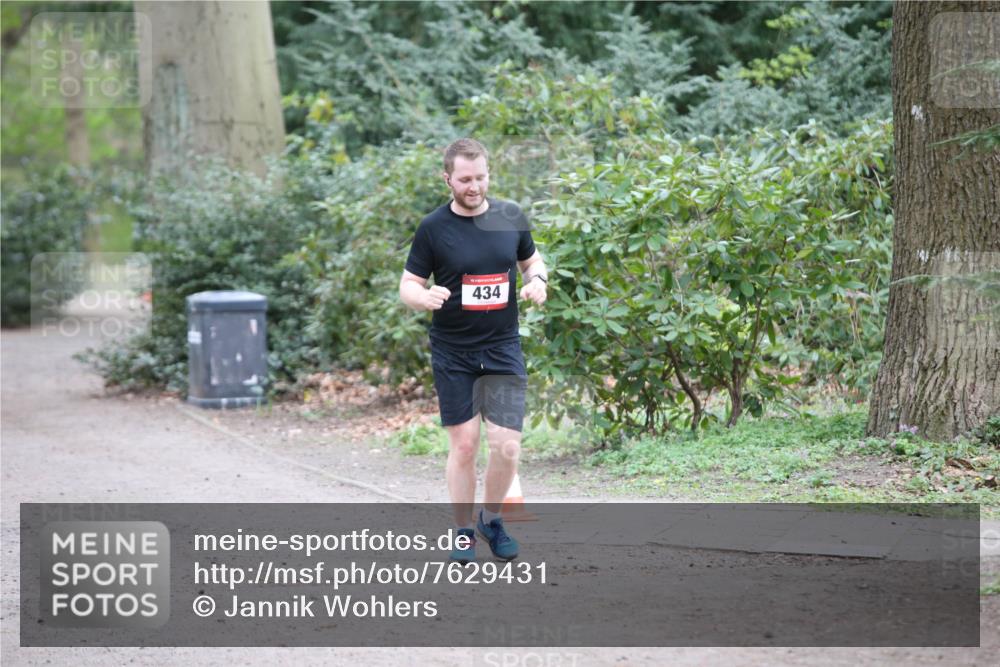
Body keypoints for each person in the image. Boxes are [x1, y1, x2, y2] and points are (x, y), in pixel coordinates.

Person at [399, 138, 547, 564]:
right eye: (465, 179)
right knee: (464, 445)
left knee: (506, 446)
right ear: (447, 178)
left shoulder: (509, 217)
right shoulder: (433, 228)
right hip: (453, 350)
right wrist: (421, 297)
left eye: (480, 177)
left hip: (501, 347)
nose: (474, 186)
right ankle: (463, 531)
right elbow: (408, 284)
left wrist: (538, 280)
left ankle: (491, 520)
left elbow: (532, 262)